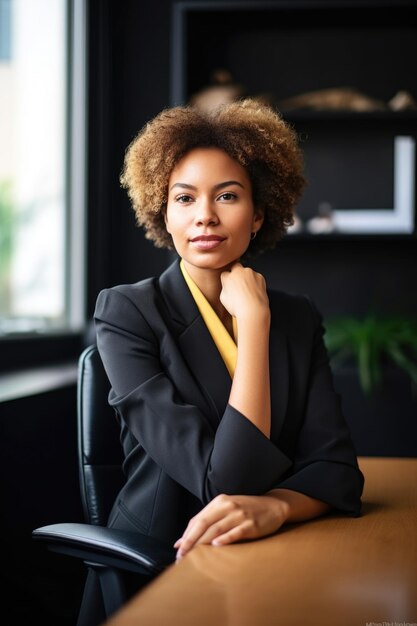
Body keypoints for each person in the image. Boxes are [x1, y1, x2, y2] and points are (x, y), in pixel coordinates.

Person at [82, 98, 364, 622]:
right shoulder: (127, 312)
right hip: (163, 565)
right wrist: (253, 328)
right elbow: (225, 481)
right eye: (184, 198)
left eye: (227, 196)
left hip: (276, 553)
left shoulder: (297, 317)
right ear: (163, 213)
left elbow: (339, 471)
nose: (205, 216)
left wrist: (277, 506)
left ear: (258, 213)